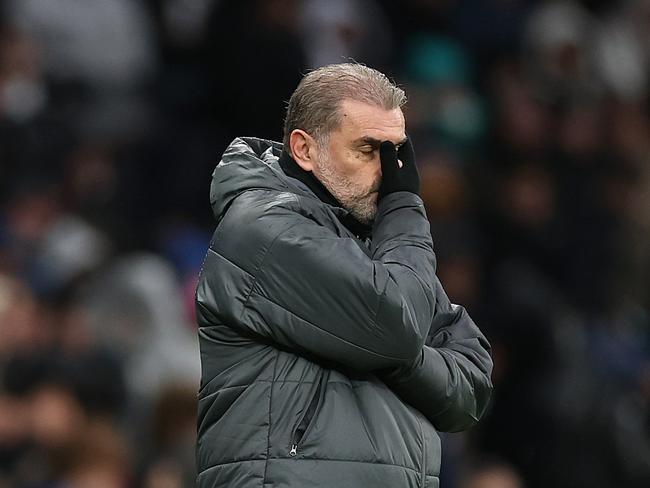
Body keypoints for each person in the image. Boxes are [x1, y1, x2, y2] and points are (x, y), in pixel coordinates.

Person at [195, 63, 493, 487]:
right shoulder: (261, 230)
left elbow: (470, 385)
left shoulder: (381, 250)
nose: (390, 177)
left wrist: (386, 348)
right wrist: (405, 206)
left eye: (397, 155)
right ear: (304, 149)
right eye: (368, 150)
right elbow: (398, 326)